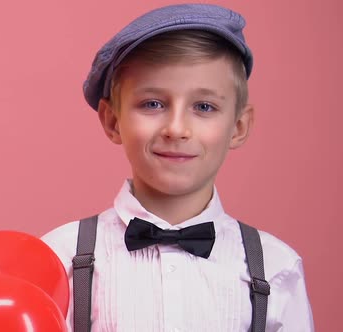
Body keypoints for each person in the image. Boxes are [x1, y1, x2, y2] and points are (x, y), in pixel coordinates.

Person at [41, 3, 314, 331]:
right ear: (112, 121)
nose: (176, 128)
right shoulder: (58, 258)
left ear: (239, 127)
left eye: (204, 106)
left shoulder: (277, 268)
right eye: (152, 104)